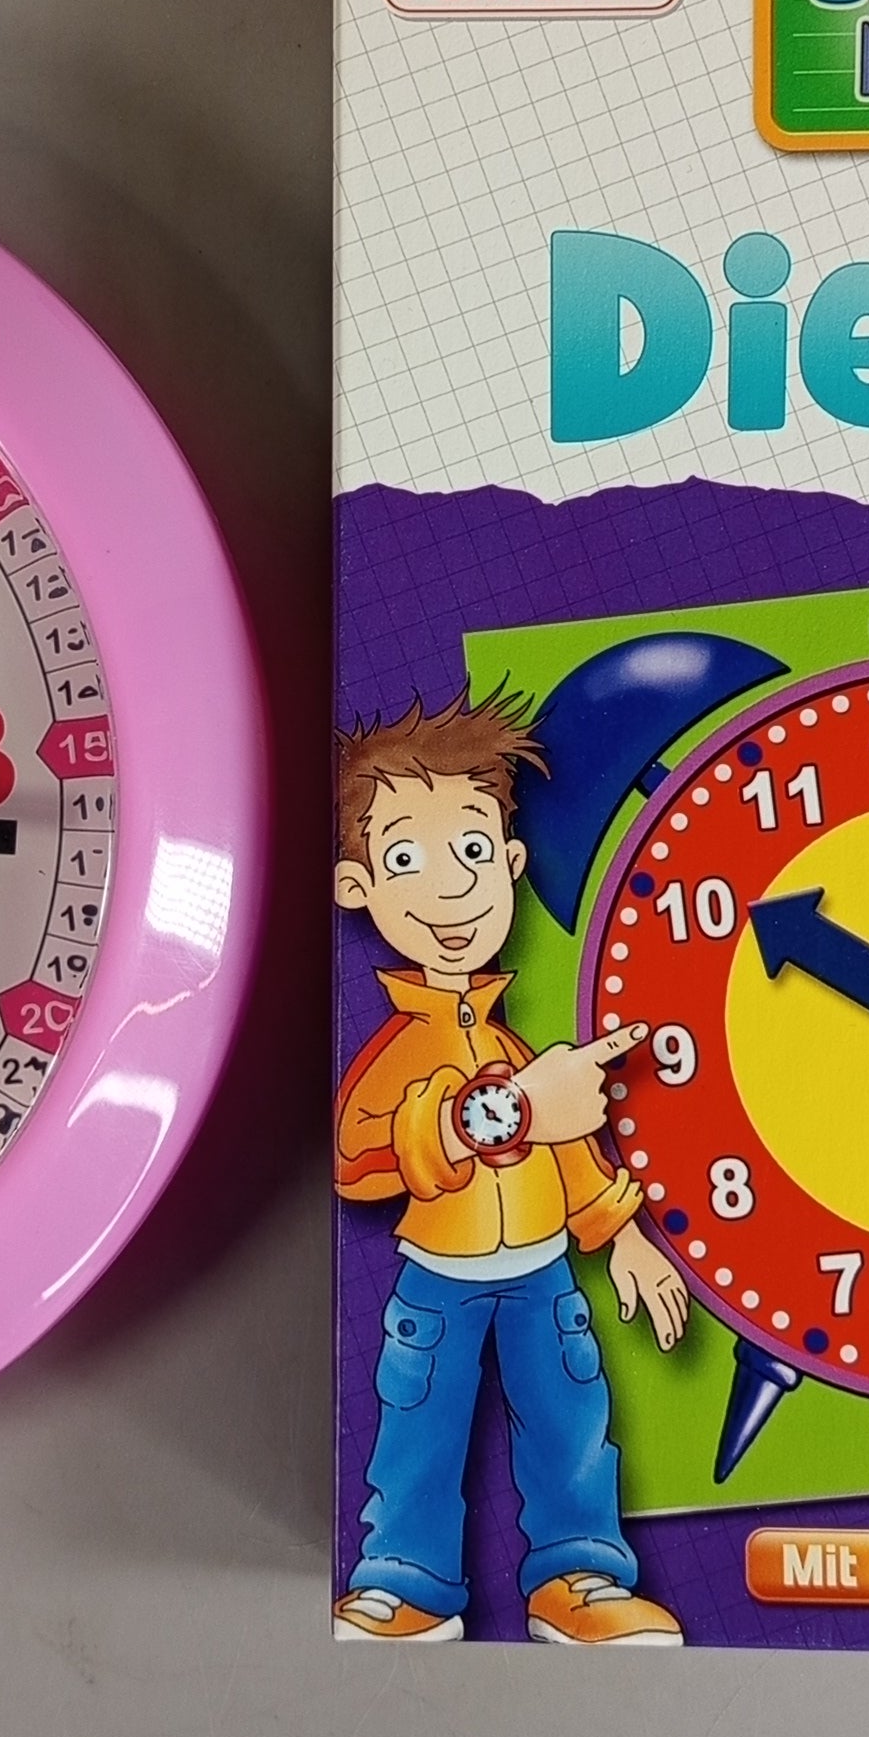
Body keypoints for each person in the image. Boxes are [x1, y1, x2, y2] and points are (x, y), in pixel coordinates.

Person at [331, 690, 689, 1644]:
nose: (452, 892)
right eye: (406, 860)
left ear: (512, 865)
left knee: (571, 1424)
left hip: (544, 1278)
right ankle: (407, 1582)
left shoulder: (513, 1044)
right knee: (421, 1430)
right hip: (437, 1284)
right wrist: (518, 1109)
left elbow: (571, 1154)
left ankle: (581, 1577)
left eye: (474, 852)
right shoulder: (398, 1053)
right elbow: (361, 1158)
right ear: (357, 888)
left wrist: (623, 1238)